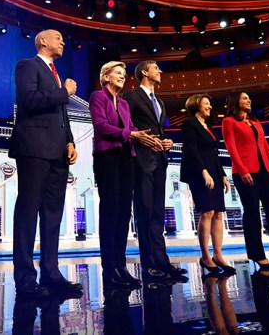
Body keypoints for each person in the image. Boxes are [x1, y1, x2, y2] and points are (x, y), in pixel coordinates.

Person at [8, 29, 82, 299]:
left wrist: (70, 141)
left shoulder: (55, 73)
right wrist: (65, 92)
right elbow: (28, 100)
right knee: (28, 214)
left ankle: (51, 273)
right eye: (58, 37)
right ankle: (25, 278)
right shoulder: (27, 66)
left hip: (59, 153)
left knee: (53, 216)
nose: (63, 40)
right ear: (42, 41)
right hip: (34, 150)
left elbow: (62, 116)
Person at [89, 61, 156, 289]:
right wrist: (131, 134)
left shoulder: (124, 104)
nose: (122, 76)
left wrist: (150, 139)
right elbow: (102, 127)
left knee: (124, 213)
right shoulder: (98, 97)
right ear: (105, 76)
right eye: (117, 73)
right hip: (107, 158)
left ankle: (121, 265)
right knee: (110, 211)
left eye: (123, 73)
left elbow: (131, 129)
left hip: (127, 159)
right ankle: (109, 268)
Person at [121, 60, 186, 282]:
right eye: (156, 68)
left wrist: (167, 141)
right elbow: (126, 126)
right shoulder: (131, 96)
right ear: (145, 73)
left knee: (158, 212)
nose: (160, 71)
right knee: (145, 211)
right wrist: (143, 139)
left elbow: (161, 129)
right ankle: (148, 264)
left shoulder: (159, 101)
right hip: (141, 160)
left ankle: (163, 262)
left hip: (160, 159)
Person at [223, 91, 269, 273]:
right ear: (236, 101)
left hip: (266, 171)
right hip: (246, 171)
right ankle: (257, 254)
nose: (249, 100)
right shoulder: (229, 122)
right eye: (245, 98)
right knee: (252, 213)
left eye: (249, 97)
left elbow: (264, 145)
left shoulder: (255, 121)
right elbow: (231, 148)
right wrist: (242, 170)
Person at [179, 94, 231, 276]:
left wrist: (222, 175)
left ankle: (218, 255)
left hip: (214, 172)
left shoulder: (208, 127)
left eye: (209, 103)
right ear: (196, 106)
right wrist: (203, 171)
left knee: (218, 213)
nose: (210, 106)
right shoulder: (189, 124)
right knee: (207, 211)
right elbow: (191, 150)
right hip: (199, 172)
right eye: (206, 104)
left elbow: (214, 153)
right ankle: (205, 256)